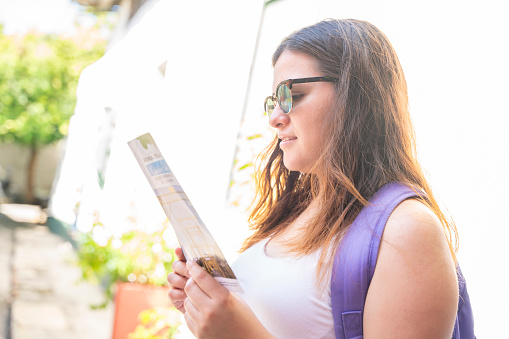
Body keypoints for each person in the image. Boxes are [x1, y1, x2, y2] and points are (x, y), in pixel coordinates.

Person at [167, 19, 474, 338]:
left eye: (291, 94)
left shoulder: (406, 230)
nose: (274, 118)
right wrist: (204, 302)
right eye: (273, 100)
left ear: (356, 95)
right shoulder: (298, 210)